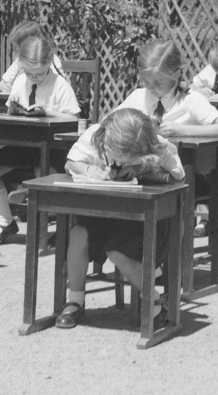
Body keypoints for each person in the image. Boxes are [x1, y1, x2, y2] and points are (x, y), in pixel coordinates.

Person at [55, 108, 186, 329]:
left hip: (144, 217)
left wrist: (143, 167)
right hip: (106, 209)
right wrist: (89, 170)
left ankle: (154, 300)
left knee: (117, 251)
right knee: (78, 235)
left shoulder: (159, 145)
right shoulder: (95, 133)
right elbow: (70, 163)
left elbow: (178, 178)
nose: (117, 161)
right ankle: (74, 301)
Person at [117, 39, 218, 237]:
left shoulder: (190, 100)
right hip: (144, 174)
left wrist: (184, 130)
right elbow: (110, 124)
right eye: (146, 81)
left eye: (158, 82)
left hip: (185, 175)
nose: (151, 87)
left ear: (176, 74)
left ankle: (165, 248)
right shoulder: (139, 97)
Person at [0, 34, 80, 246]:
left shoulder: (59, 85)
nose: (34, 77)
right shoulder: (20, 81)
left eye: (40, 73)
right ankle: (5, 221)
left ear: (49, 63)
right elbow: (11, 109)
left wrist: (48, 112)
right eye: (29, 72)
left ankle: (64, 227)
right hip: (24, 145)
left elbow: (75, 118)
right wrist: (15, 111)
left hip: (53, 148)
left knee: (43, 173)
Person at [0, 20, 65, 93]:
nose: (15, 52)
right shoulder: (19, 61)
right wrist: (4, 87)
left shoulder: (50, 60)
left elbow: (58, 87)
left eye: (18, 49)